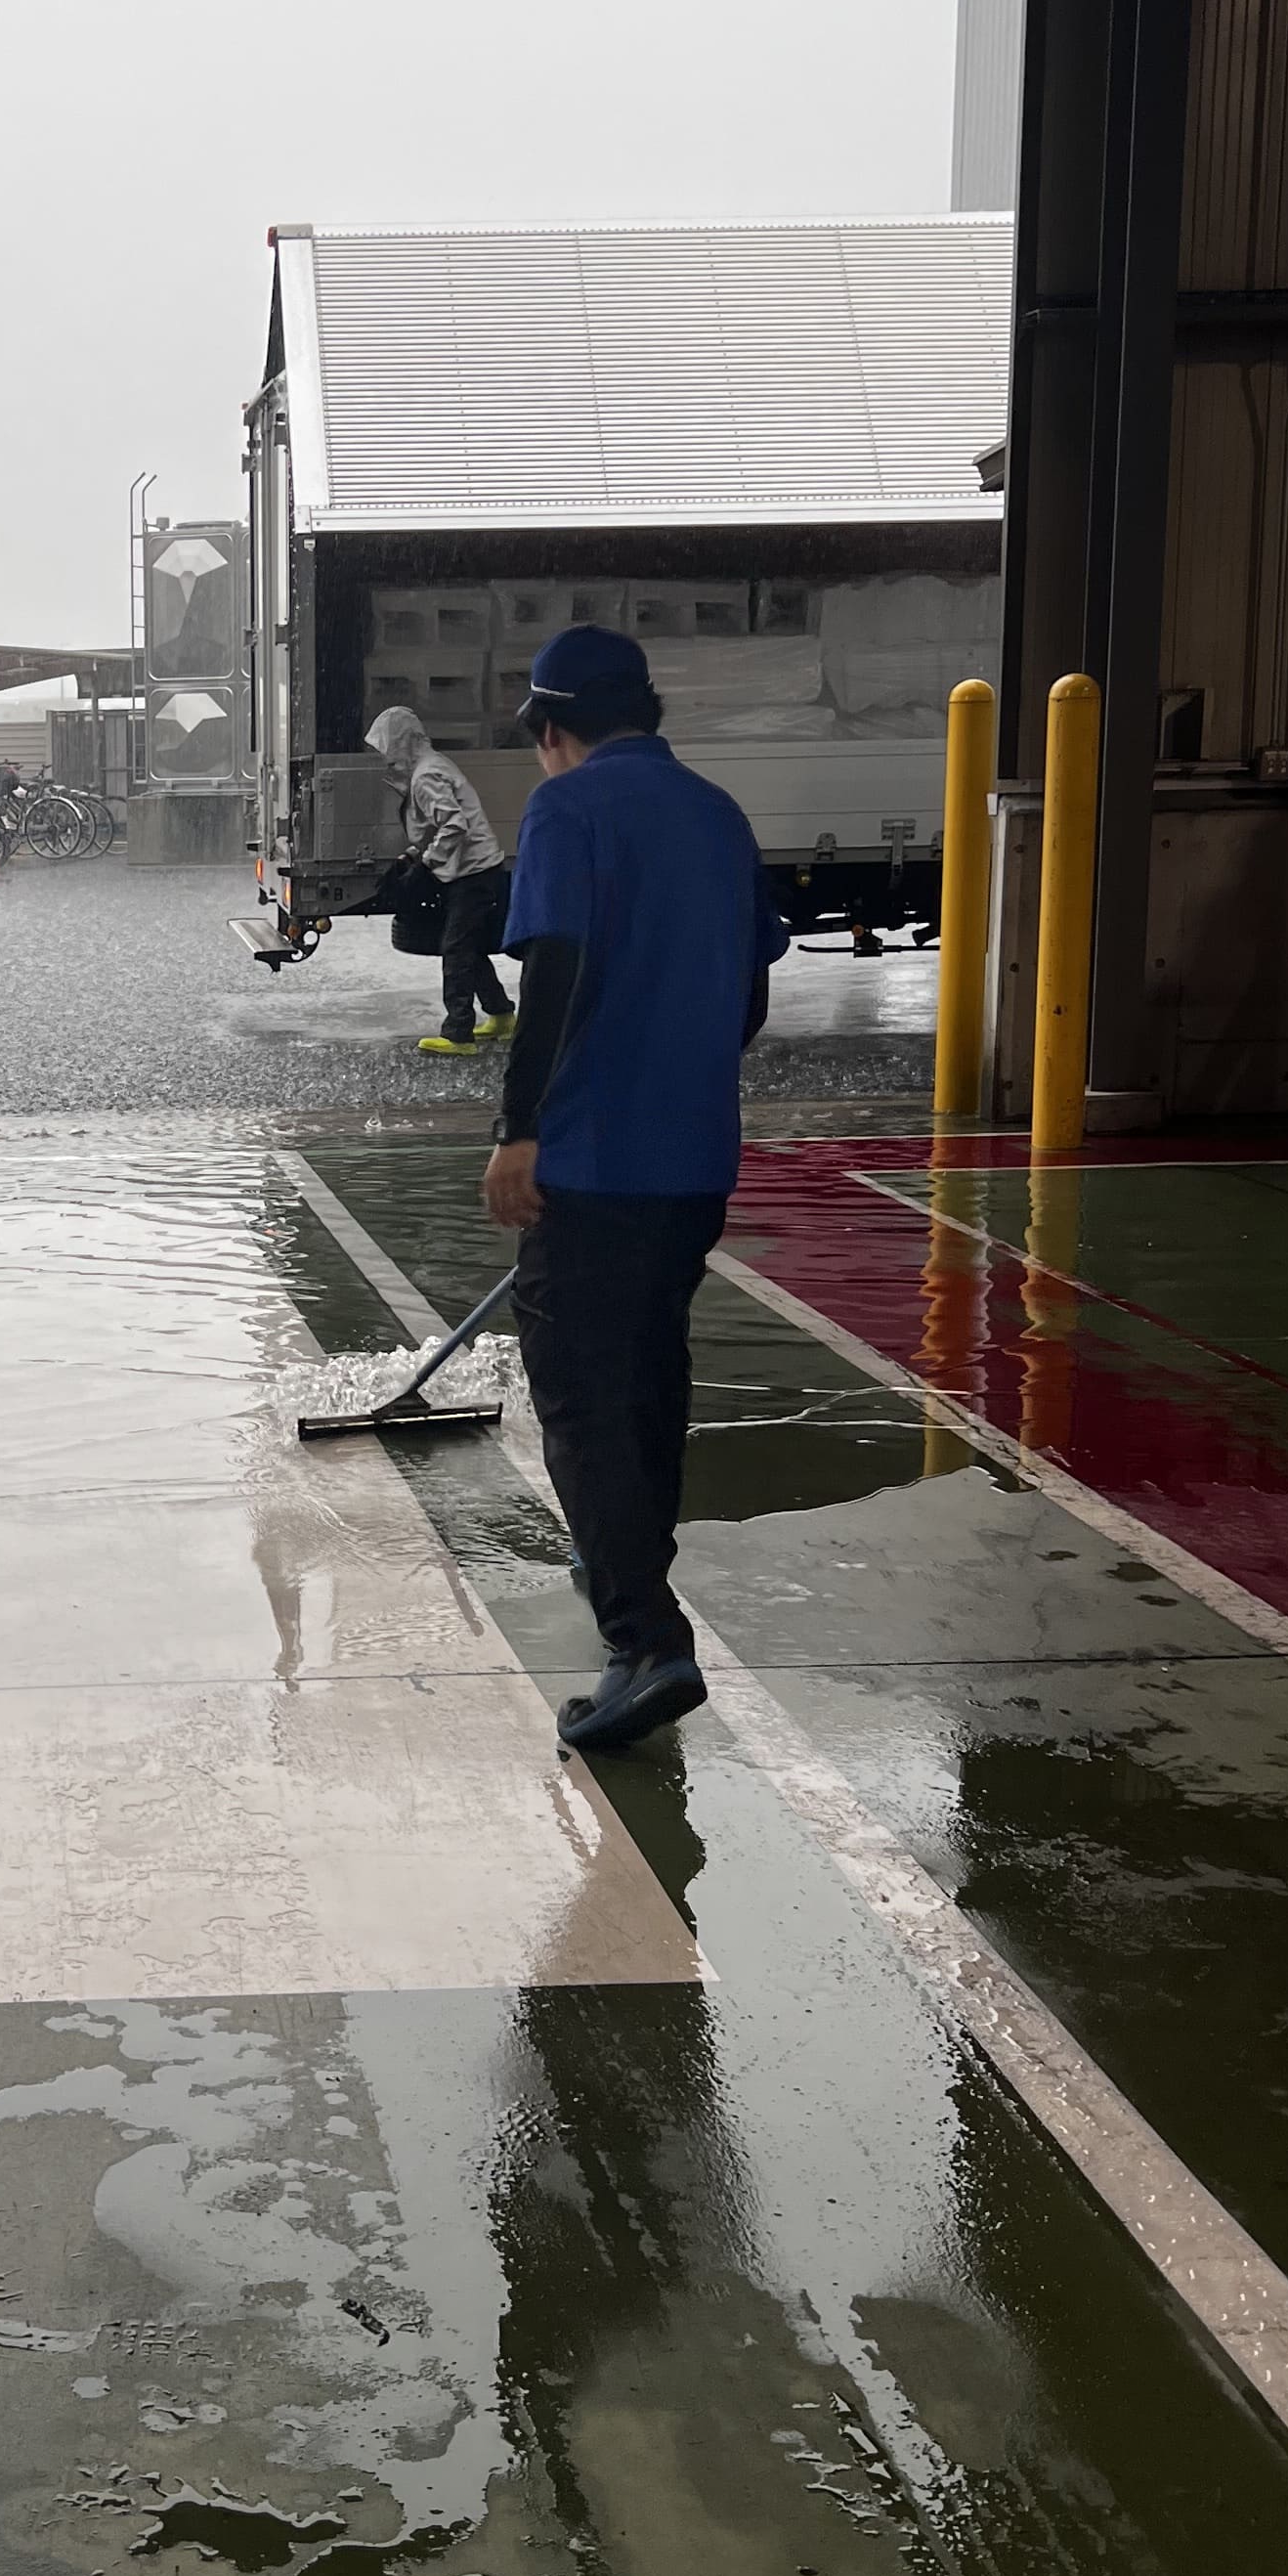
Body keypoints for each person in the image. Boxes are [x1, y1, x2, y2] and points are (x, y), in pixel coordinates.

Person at [480, 623, 788, 1756]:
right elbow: (749, 998)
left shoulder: (567, 809)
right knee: (650, 1375)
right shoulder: (716, 813)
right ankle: (628, 1569)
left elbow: (554, 969)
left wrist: (518, 1130)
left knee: (579, 1394)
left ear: (552, 728)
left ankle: (644, 1641)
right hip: (694, 1161)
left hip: (593, 1157)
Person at [365, 704, 513, 1055]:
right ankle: (501, 1015)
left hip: (472, 873)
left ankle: (458, 1035)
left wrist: (425, 866)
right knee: (467, 945)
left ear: (402, 742)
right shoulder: (431, 767)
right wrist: (410, 858)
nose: (386, 757)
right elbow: (437, 825)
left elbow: (453, 825)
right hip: (474, 869)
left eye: (388, 747)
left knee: (456, 948)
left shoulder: (425, 775)